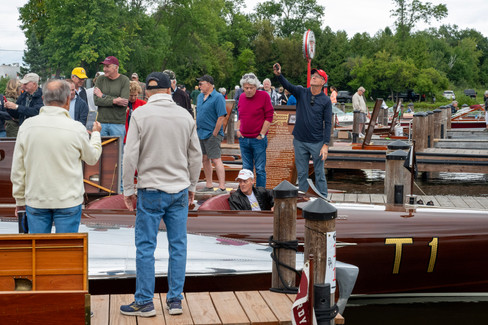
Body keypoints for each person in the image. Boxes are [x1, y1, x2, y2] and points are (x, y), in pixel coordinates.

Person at [120, 72, 201, 317]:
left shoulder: (140, 114)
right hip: (179, 189)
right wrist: (193, 187)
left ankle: (145, 301)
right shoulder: (185, 115)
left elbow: (129, 155)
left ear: (147, 92)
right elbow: (195, 156)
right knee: (178, 246)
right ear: (169, 91)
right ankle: (175, 300)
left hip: (150, 189)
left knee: (145, 246)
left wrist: (128, 189)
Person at [10, 79, 102, 233]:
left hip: (36, 198)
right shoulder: (76, 128)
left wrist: (20, 201)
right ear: (67, 99)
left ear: (44, 99)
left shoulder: (27, 127)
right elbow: (92, 158)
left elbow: (18, 169)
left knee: (37, 252)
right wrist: (96, 135)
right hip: (68, 200)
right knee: (65, 251)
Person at [273, 63, 332, 197]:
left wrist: (325, 145)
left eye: (317, 77)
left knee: (319, 172)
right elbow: (288, 86)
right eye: (313, 75)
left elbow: (328, 123)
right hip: (299, 140)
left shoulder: (326, 101)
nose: (313, 78)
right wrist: (279, 75)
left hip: (317, 142)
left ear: (323, 82)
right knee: (302, 173)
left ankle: (323, 197)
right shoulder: (301, 92)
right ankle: (304, 197)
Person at [236, 72, 274, 187]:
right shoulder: (241, 97)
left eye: (251, 88)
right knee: (246, 169)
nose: (248, 90)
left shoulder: (264, 96)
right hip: (244, 138)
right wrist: (238, 130)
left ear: (256, 87)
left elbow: (269, 116)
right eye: (246, 88)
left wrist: (262, 134)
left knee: (260, 169)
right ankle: (247, 193)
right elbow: (240, 115)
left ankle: (261, 194)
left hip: (258, 139)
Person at [196, 74, 227, 194]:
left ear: (208, 84)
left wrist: (214, 133)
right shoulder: (199, 97)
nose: (199, 86)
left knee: (216, 158)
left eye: (201, 84)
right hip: (201, 133)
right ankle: (209, 185)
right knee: (204, 159)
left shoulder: (218, 97)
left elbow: (221, 117)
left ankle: (222, 187)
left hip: (212, 134)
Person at [93, 56, 130, 137]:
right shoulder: (100, 79)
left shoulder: (124, 80)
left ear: (116, 67)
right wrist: (115, 101)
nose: (104, 69)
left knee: (117, 149)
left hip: (118, 123)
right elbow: (96, 101)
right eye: (104, 66)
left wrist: (102, 95)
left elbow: (124, 102)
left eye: (107, 66)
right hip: (101, 123)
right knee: (100, 149)